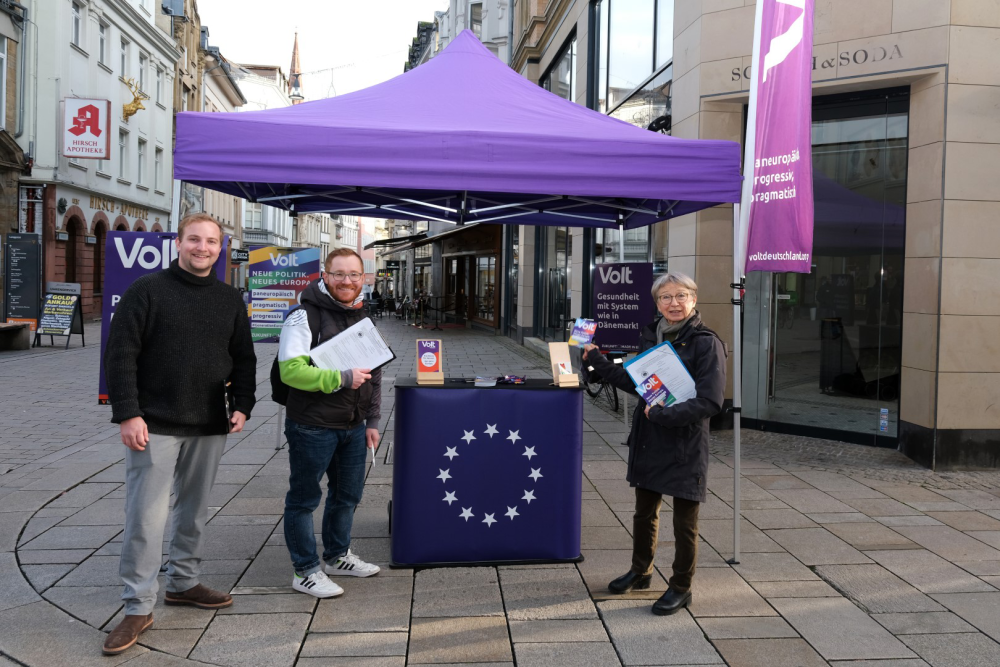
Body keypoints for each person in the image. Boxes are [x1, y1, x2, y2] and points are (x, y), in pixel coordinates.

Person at [102, 213, 256, 655]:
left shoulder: (229, 299)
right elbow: (121, 355)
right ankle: (137, 605)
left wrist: (243, 404)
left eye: (211, 241)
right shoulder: (147, 291)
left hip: (210, 422)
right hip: (155, 423)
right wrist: (128, 414)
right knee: (146, 517)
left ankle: (183, 582)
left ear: (220, 247)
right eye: (194, 239)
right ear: (178, 243)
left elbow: (243, 359)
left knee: (194, 510)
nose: (203, 248)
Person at [583, 272, 725, 616]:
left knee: (684, 523)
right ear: (657, 302)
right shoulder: (653, 336)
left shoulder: (706, 343)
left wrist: (662, 414)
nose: (673, 303)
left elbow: (710, 402)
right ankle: (641, 570)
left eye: (681, 296)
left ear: (693, 299)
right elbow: (638, 383)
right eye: (666, 297)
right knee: (643, 513)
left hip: (684, 443)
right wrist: (596, 360)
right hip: (649, 439)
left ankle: (680, 586)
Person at [278, 248, 382, 598]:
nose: (347, 281)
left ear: (363, 278)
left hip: (353, 426)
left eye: (354, 274)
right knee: (304, 499)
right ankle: (305, 570)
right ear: (325, 275)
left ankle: (337, 557)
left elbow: (375, 373)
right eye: (339, 274)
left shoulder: (361, 315)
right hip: (312, 424)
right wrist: (340, 378)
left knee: (347, 495)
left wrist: (372, 420)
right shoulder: (302, 315)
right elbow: (290, 371)